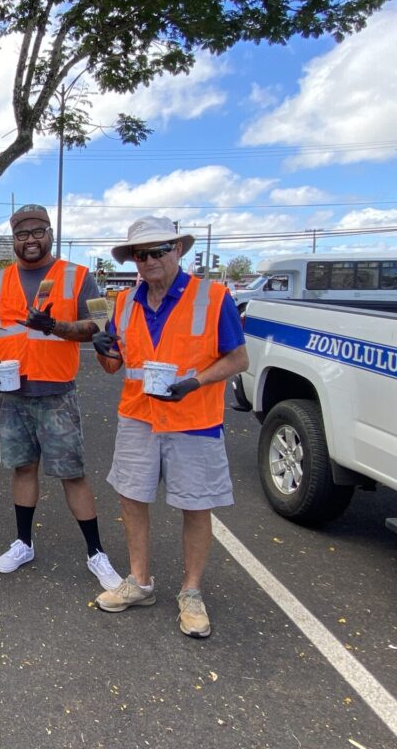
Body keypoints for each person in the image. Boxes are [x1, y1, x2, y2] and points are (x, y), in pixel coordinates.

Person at [92, 216, 248, 638]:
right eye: (140, 254)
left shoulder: (213, 297)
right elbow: (113, 367)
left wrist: (193, 383)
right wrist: (102, 348)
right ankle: (140, 582)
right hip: (138, 417)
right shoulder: (123, 303)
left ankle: (191, 592)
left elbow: (238, 359)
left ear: (178, 250)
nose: (149, 260)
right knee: (131, 498)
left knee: (196, 506)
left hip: (194, 419)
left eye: (158, 250)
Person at [0, 204, 122, 591]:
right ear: (14, 239)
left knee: (72, 474)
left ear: (50, 233)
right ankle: (23, 543)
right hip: (12, 395)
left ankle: (96, 553)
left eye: (38, 232)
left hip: (57, 393)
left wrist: (54, 325)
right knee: (23, 469)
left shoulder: (78, 276)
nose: (31, 240)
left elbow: (99, 326)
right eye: (23, 234)